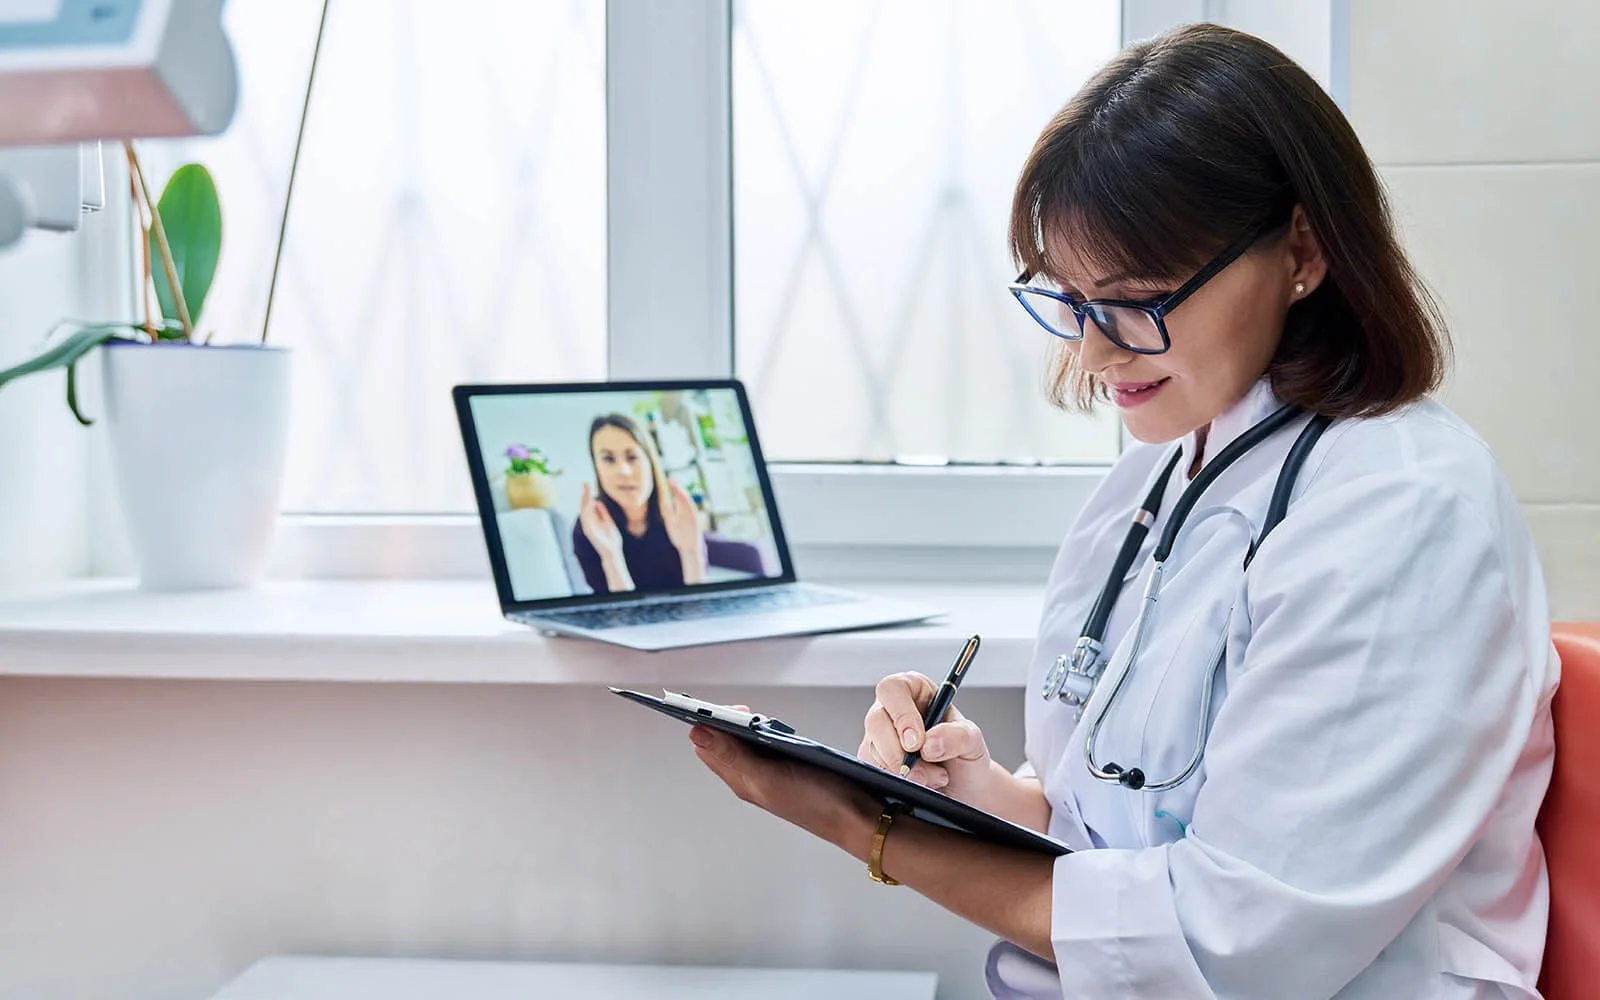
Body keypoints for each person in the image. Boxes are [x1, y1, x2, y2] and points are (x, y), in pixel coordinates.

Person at [687, 23, 1558, 999]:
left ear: (1302, 249)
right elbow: (1115, 834)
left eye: (1136, 300)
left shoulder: (1402, 515)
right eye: (1070, 300)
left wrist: (864, 827)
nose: (1096, 354)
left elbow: (1224, 938)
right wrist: (963, 787)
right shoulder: (1159, 476)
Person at [572, 413, 707, 594]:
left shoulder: (679, 516)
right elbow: (620, 617)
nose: (624, 471)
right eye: (608, 459)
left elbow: (699, 607)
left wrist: (691, 551)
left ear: (650, 461)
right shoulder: (589, 528)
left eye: (632, 457)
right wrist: (611, 557)